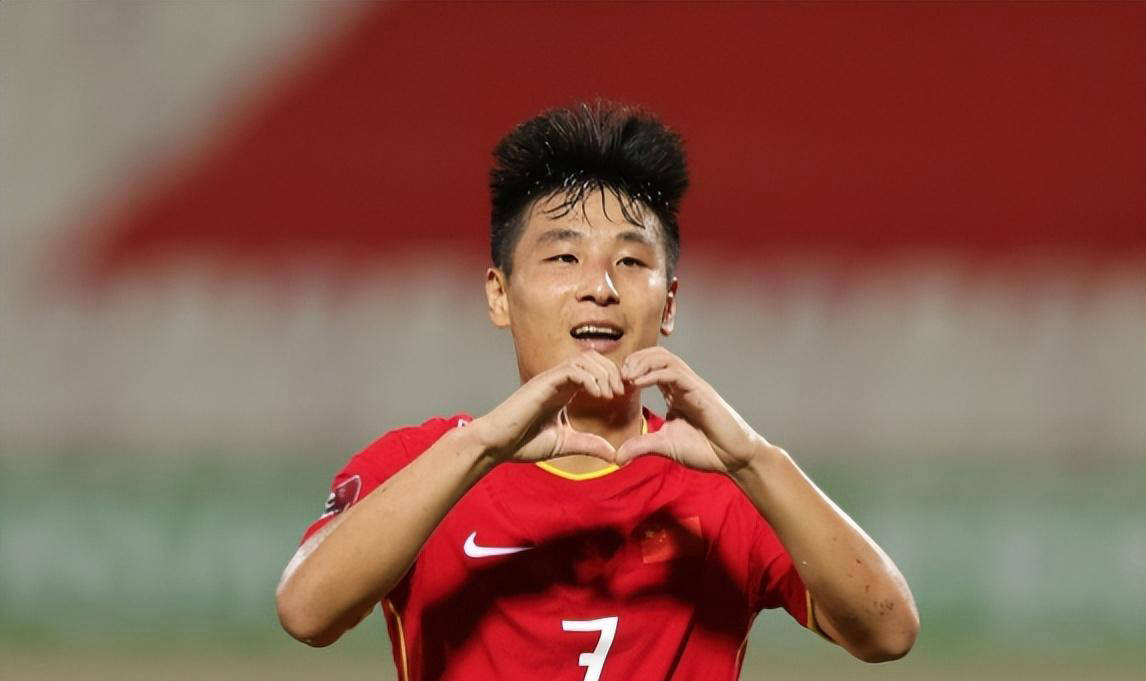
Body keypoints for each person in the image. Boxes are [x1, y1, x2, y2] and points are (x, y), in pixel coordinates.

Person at [275, 101, 918, 680]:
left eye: (631, 261)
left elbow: (888, 632)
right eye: (564, 258)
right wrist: (483, 447)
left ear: (669, 304)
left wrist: (753, 458)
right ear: (500, 295)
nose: (600, 288)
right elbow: (307, 614)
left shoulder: (729, 481)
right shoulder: (418, 465)